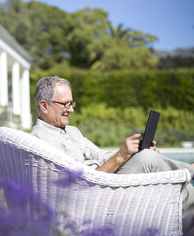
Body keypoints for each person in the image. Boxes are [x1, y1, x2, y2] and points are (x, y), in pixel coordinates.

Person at [31, 76, 194, 234]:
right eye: (65, 104)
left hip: (106, 181)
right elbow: (81, 182)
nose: (71, 109)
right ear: (44, 106)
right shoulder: (42, 140)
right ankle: (190, 170)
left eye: (71, 103)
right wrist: (122, 156)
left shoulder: (72, 131)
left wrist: (131, 152)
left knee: (178, 184)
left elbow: (102, 155)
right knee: (148, 160)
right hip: (94, 195)